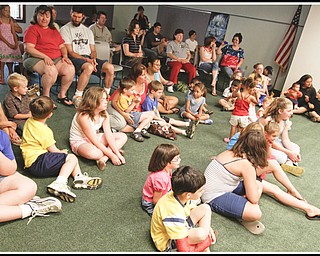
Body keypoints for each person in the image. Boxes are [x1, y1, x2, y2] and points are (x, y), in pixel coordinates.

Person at [203, 123, 320, 236]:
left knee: (272, 187)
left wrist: (256, 185)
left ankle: (309, 208)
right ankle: (240, 210)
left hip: (225, 185)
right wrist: (258, 184)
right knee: (255, 212)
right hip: (213, 196)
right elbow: (254, 199)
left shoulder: (234, 151)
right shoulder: (245, 164)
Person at [20, 96, 103, 203]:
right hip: (38, 162)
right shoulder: (44, 131)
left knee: (70, 160)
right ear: (50, 114)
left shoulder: (29, 121)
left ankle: (79, 178)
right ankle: (60, 183)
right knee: (71, 158)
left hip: (31, 162)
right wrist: (61, 152)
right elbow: (52, 149)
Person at [0, 129, 62, 224]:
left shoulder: (2, 136)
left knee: (29, 186)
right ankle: (29, 208)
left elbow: (11, 169)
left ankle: (25, 206)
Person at [151, 165, 217, 252]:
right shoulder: (173, 212)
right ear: (188, 194)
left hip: (179, 225)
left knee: (206, 208)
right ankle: (203, 239)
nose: (203, 191)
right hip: (168, 241)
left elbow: (192, 209)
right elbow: (183, 249)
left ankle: (204, 236)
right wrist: (206, 241)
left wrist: (208, 229)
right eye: (201, 190)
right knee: (201, 234)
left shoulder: (180, 195)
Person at [60, 5, 115, 108]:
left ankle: (106, 95)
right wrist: (88, 60)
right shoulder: (65, 29)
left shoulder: (88, 31)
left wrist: (93, 59)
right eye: (74, 16)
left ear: (83, 17)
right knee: (89, 67)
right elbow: (70, 52)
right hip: (75, 58)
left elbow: (93, 50)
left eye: (79, 17)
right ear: (70, 14)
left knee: (110, 68)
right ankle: (77, 96)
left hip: (88, 58)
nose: (76, 19)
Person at [23, 5, 75, 108]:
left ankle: (61, 95)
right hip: (34, 58)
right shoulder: (32, 29)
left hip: (56, 58)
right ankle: (45, 97)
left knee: (70, 69)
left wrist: (65, 56)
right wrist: (45, 57)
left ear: (51, 17)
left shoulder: (54, 30)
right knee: (51, 71)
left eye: (47, 16)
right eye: (41, 15)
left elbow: (62, 46)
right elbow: (28, 48)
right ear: (36, 16)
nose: (44, 18)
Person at [70, 86, 127, 171]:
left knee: (123, 136)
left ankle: (104, 159)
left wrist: (117, 154)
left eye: (106, 99)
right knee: (96, 154)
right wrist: (112, 156)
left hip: (95, 136)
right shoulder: (83, 116)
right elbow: (95, 142)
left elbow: (109, 134)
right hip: (80, 141)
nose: (106, 102)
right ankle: (106, 152)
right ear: (93, 101)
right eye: (103, 99)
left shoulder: (104, 113)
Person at [258, 97, 304, 176]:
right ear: (280, 111)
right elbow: (268, 141)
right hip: (261, 142)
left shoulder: (285, 120)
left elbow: (285, 138)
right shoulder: (267, 120)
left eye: (292, 110)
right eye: (289, 111)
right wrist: (288, 152)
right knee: (282, 157)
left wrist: (293, 152)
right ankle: (288, 162)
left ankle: (288, 163)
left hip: (274, 141)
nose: (291, 113)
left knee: (296, 147)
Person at [107, 62, 154, 133]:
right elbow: (114, 102)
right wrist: (123, 114)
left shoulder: (146, 84)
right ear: (136, 76)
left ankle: (116, 128)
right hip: (115, 106)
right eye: (143, 75)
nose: (146, 77)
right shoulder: (127, 84)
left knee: (145, 123)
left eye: (145, 74)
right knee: (121, 123)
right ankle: (101, 119)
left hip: (128, 109)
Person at [141, 143, 181, 217]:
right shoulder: (160, 178)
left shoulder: (168, 170)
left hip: (163, 195)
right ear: (166, 162)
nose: (180, 160)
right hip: (150, 203)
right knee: (166, 216)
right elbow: (156, 201)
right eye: (176, 159)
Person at [116, 77, 153, 142]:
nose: (133, 92)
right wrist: (133, 103)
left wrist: (137, 101)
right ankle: (138, 131)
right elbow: (126, 111)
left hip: (133, 113)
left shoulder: (130, 96)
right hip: (129, 115)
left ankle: (140, 129)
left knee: (151, 114)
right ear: (125, 90)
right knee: (150, 116)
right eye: (132, 90)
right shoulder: (122, 98)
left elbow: (135, 107)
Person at [223, 77, 259, 143]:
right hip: (244, 115)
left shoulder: (239, 94)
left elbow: (233, 95)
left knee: (233, 126)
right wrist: (256, 94)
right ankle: (237, 140)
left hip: (236, 113)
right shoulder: (250, 97)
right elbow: (257, 102)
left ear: (243, 85)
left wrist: (237, 89)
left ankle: (231, 139)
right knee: (240, 128)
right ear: (250, 88)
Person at [0, 5, 23, 84]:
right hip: (3, 41)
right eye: (6, 10)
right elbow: (0, 35)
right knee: (3, 57)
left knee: (18, 55)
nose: (8, 12)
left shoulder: (10, 21)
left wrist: (16, 42)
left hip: (11, 40)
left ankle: (21, 75)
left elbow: (13, 32)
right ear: (2, 11)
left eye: (9, 11)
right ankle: (2, 77)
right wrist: (8, 44)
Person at [4, 72, 31, 136]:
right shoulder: (9, 99)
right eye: (24, 87)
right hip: (17, 120)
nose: (27, 89)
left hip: (27, 115)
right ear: (16, 89)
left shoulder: (24, 95)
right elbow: (15, 115)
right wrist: (29, 115)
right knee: (27, 130)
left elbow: (29, 106)